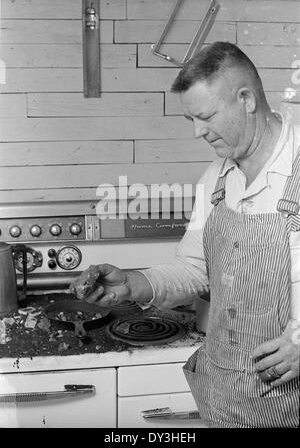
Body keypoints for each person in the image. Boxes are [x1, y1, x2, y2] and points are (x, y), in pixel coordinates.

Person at [70, 42, 300, 428]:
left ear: (246, 99)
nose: (198, 132)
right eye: (190, 119)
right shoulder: (217, 179)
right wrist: (132, 284)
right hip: (226, 399)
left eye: (206, 116)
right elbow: (194, 269)